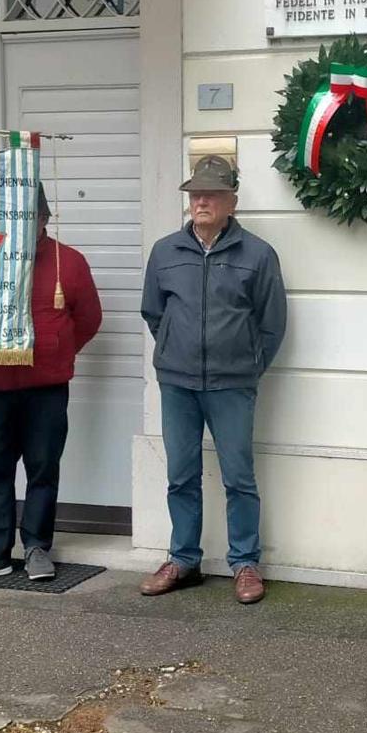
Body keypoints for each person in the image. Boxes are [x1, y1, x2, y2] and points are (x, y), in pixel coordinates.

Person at [139, 156, 286, 605]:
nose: (201, 201)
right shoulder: (165, 252)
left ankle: (244, 562)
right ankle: (183, 559)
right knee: (180, 476)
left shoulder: (258, 255)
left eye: (211, 194)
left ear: (231, 202)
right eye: (195, 194)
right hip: (178, 384)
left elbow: (272, 323)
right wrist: (173, 352)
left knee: (239, 477)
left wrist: (245, 365)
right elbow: (154, 312)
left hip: (232, 385)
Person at [0, 186, 102, 586]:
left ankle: (36, 545)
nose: (22, 224)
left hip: (46, 388)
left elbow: (88, 320)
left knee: (42, 468)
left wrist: (56, 350)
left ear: (44, 219)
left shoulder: (69, 262)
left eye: (30, 217)